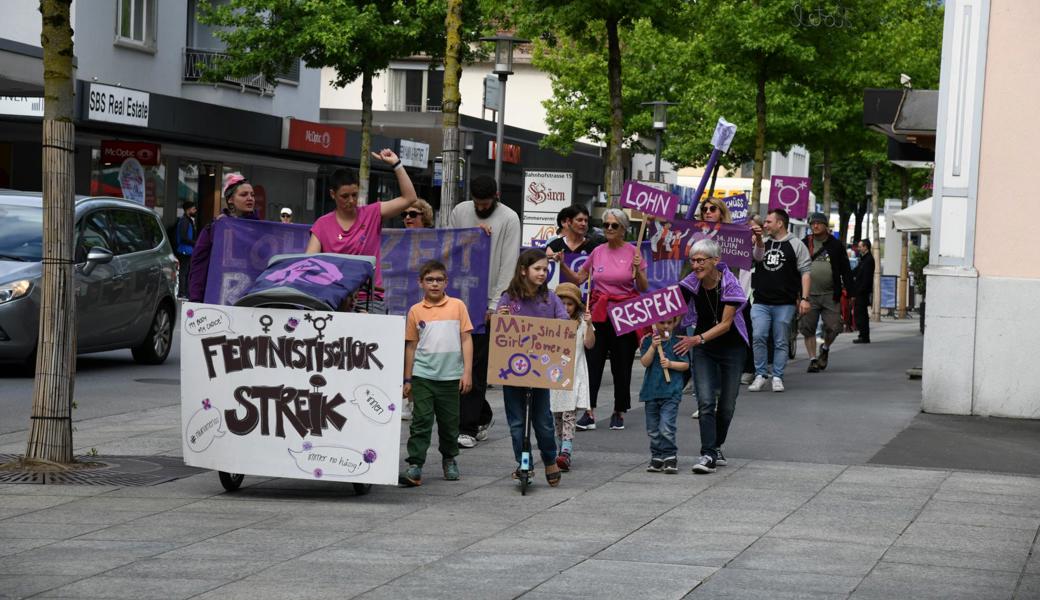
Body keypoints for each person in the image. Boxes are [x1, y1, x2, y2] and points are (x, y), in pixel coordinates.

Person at [559, 208, 648, 431]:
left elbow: (643, 287)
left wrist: (638, 269)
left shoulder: (633, 252)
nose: (608, 228)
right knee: (592, 362)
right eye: (606, 224)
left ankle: (619, 410)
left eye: (614, 225)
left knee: (622, 363)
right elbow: (579, 278)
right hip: (599, 311)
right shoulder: (598, 251)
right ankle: (589, 411)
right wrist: (561, 264)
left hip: (625, 312)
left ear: (624, 229)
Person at [449, 175, 520, 449]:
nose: (480, 208)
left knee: (476, 366)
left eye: (485, 203)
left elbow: (508, 263)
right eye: (477, 203)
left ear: (496, 196)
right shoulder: (460, 211)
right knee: (456, 364)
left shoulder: (509, 218)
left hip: (485, 302)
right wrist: (473, 237)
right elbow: (451, 247)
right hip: (458, 296)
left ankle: (466, 427)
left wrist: (495, 305)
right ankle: (482, 414)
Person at [306, 149, 417, 315]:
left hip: (370, 300)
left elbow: (410, 198)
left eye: (354, 194)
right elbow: (309, 263)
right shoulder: (322, 224)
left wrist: (396, 164)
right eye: (344, 196)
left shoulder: (372, 213)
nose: (351, 200)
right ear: (332, 194)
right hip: (333, 299)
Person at [674, 239, 749, 474]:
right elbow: (673, 311)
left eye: (700, 260)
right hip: (705, 350)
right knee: (705, 401)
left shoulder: (730, 284)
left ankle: (716, 446)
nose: (695, 265)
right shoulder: (689, 284)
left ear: (715, 261)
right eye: (693, 260)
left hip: (732, 348)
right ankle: (707, 453)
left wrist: (696, 339)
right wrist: (661, 327)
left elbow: (726, 324)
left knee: (726, 405)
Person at [495, 249, 568, 487]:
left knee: (543, 421)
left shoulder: (551, 298)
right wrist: (501, 318)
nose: (542, 273)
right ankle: (523, 461)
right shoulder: (509, 298)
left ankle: (549, 458)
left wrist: (563, 325)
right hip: (513, 368)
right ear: (524, 270)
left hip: (540, 368)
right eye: (537, 268)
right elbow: (499, 328)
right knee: (516, 422)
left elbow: (564, 322)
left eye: (545, 269)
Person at [399, 260, 473, 487]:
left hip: (450, 376)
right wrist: (407, 378)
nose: (434, 284)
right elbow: (411, 346)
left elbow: (466, 339)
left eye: (439, 280)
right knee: (420, 421)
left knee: (450, 423)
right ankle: (415, 464)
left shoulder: (458, 306)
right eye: (429, 280)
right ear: (421, 283)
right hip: (423, 376)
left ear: (446, 282)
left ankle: (449, 458)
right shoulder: (415, 311)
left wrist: (467, 372)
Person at [747, 209, 811, 392]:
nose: (764, 225)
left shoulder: (796, 245)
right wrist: (756, 241)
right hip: (760, 300)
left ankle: (777, 376)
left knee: (781, 340)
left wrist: (805, 298)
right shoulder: (763, 243)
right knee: (758, 336)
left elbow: (806, 272)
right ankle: (760, 374)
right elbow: (755, 258)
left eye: (768, 222)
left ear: (780, 223)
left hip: (784, 303)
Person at [188, 173, 257, 303]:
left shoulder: (259, 229)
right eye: (244, 195)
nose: (250, 198)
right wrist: (196, 299)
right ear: (230, 199)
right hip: (218, 300)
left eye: (252, 195)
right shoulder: (215, 228)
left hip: (251, 302)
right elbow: (199, 265)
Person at [548, 282, 595, 472]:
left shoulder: (582, 322)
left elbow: (590, 344)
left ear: (576, 305)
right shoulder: (550, 323)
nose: (566, 307)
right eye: (563, 302)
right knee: (557, 415)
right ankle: (560, 448)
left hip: (574, 375)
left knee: (569, 414)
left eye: (570, 304)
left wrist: (589, 325)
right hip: (553, 377)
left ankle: (566, 451)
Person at [801, 212, 853, 372]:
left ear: (825, 226)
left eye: (818, 223)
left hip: (831, 294)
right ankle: (813, 359)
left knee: (835, 327)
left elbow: (845, 269)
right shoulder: (804, 243)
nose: (815, 226)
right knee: (808, 328)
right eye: (812, 223)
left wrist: (851, 292)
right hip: (808, 295)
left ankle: (825, 348)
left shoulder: (836, 245)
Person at [639, 315, 688, 474]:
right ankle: (657, 456)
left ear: (675, 323)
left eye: (669, 322)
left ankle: (670, 456)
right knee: (652, 428)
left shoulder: (677, 342)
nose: (666, 326)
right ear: (654, 323)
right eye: (662, 322)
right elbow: (645, 362)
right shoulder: (648, 340)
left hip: (671, 392)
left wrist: (671, 364)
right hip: (651, 392)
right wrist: (653, 347)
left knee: (667, 425)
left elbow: (686, 364)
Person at [545, 205, 603, 279]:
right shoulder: (553, 246)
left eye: (586, 221)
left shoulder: (595, 248)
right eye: (579, 220)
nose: (583, 224)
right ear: (569, 221)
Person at [852, 238, 875, 344]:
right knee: (860, 313)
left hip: (863, 292)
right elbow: (857, 270)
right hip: (860, 291)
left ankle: (864, 336)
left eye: (860, 246)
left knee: (861, 314)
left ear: (866, 247)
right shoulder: (864, 259)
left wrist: (860, 290)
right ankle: (862, 334)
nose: (858, 248)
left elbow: (867, 278)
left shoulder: (869, 260)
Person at [174, 201, 197, 298]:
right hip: (184, 251)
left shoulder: (188, 220)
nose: (195, 210)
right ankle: (182, 293)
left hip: (188, 250)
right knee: (184, 273)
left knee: (186, 272)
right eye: (193, 209)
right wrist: (195, 243)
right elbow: (183, 237)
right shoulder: (184, 221)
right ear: (188, 210)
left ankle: (185, 292)